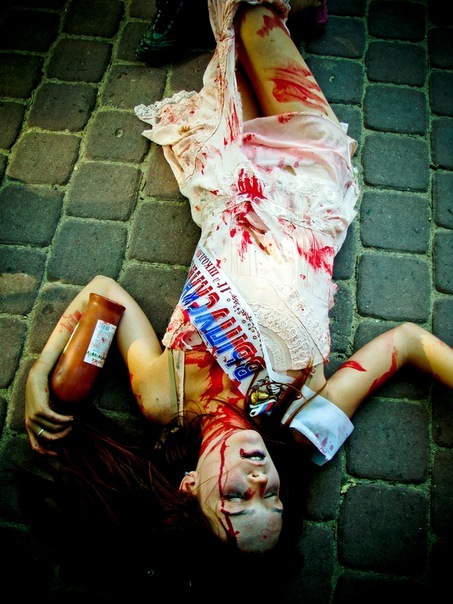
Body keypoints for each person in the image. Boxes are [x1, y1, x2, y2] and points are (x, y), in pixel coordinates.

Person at [25, 0, 453, 562]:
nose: (258, 478)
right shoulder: (304, 424)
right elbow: (409, 344)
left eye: (235, 497)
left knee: (235, 24)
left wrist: (40, 372)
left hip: (234, 177)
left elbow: (104, 295)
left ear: (189, 486)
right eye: (272, 496)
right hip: (307, 178)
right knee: (251, 17)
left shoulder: (163, 396)